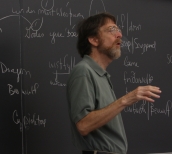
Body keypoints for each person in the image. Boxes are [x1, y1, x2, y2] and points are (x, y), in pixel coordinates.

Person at [66, 12, 161, 154]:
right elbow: (83, 125)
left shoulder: (101, 75)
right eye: (111, 30)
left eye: (118, 30)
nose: (119, 35)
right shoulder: (84, 71)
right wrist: (126, 100)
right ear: (94, 39)